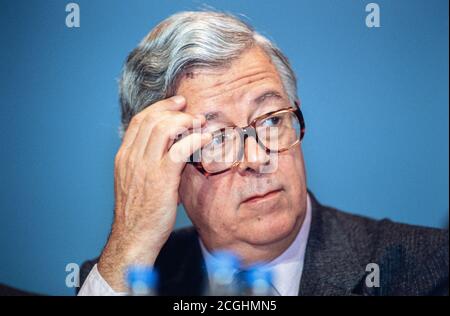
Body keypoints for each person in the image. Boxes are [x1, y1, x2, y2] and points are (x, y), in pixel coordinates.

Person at [77, 11, 448, 296]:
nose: (258, 159)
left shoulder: (424, 268)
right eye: (216, 139)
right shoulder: (124, 277)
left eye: (270, 121)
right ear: (158, 166)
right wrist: (131, 243)